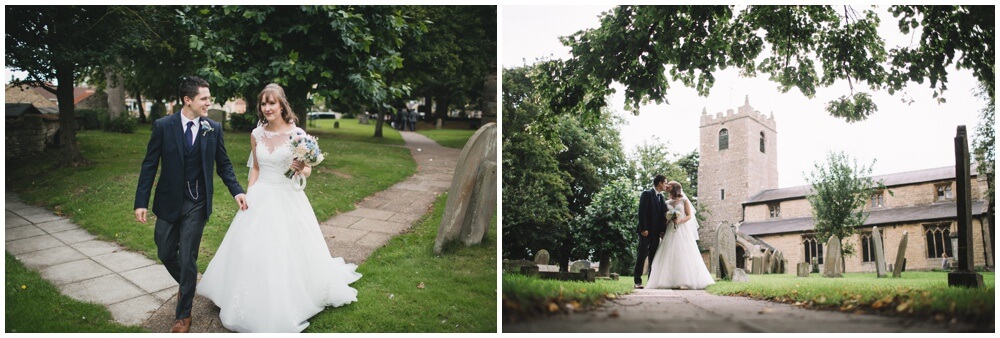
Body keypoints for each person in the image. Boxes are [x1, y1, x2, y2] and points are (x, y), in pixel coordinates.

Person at [197, 83, 361, 333]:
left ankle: (288, 297)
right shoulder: (256, 134)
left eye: (272, 103)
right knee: (249, 248)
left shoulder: (297, 135)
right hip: (261, 194)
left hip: (286, 196)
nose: (267, 108)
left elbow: (307, 168)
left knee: (285, 250)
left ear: (282, 104)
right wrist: (249, 193)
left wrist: (300, 168)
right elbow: (255, 168)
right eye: (263, 103)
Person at [133, 76, 247, 333]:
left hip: (198, 201)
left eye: (209, 98)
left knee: (188, 257)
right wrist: (141, 201)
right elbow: (150, 164)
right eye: (204, 98)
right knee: (164, 251)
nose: (209, 102)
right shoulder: (163, 126)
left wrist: (236, 191)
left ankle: (183, 315)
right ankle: (189, 285)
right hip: (168, 200)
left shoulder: (213, 128)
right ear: (188, 100)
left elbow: (225, 165)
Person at [646, 181, 716, 290]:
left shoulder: (684, 200)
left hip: (682, 229)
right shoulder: (666, 202)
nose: (667, 186)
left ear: (674, 188)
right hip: (670, 229)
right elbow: (664, 218)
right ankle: (668, 281)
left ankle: (687, 280)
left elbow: (689, 215)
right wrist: (664, 227)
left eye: (669, 185)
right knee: (668, 253)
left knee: (684, 252)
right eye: (666, 184)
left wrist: (680, 221)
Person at [634, 175, 668, 289]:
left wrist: (662, 231)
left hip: (656, 233)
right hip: (645, 232)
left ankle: (650, 281)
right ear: (660, 183)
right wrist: (643, 229)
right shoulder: (647, 194)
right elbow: (642, 212)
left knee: (653, 257)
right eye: (665, 183)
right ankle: (637, 281)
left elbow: (662, 217)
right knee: (642, 255)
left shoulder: (662, 198)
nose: (666, 185)